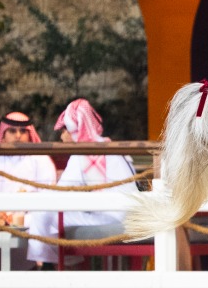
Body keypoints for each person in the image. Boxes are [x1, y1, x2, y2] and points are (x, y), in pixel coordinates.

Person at [25, 99, 136, 269]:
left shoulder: (84, 153)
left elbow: (60, 193)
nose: (61, 137)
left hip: (111, 219)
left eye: (64, 131)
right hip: (126, 215)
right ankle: (62, 263)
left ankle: (46, 266)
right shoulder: (107, 144)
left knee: (41, 214)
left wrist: (32, 200)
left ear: (73, 130)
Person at [0, 111, 57, 228]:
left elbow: (47, 200)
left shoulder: (41, 159)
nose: (18, 136)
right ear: (3, 134)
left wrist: (22, 220)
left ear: (29, 134)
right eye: (12, 131)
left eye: (23, 131)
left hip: (33, 225)